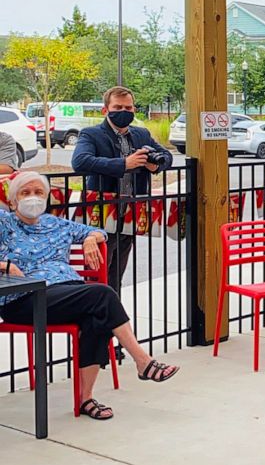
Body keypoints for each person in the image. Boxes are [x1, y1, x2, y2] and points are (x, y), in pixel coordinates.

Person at [0, 172, 179, 421]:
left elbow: (98, 232)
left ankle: (85, 398)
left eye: (39, 193)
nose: (33, 198)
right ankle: (143, 361)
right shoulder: (4, 223)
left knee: (97, 318)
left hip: (66, 293)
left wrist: (90, 240)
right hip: (24, 298)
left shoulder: (57, 223)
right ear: (12, 201)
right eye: (25, 193)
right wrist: (4, 266)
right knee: (102, 295)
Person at [72, 86, 172, 296]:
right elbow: (80, 161)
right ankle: (92, 324)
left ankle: (112, 321)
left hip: (130, 214)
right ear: (105, 109)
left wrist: (156, 165)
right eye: (118, 107)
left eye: (128, 107)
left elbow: (166, 156)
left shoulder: (141, 134)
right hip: (101, 214)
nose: (124, 111)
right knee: (96, 276)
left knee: (117, 275)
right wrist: (123, 164)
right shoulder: (91, 134)